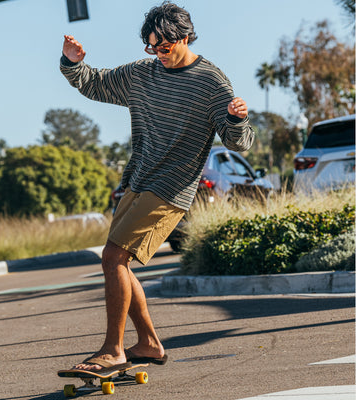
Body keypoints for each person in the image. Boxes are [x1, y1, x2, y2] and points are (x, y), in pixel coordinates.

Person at [60, 1, 254, 373]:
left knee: (113, 257)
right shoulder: (141, 74)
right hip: (138, 179)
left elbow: (237, 142)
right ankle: (148, 343)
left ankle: (113, 349)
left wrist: (236, 119)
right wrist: (73, 63)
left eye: (164, 47)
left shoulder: (211, 82)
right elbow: (95, 82)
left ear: (184, 37)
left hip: (172, 187)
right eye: (151, 47)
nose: (158, 54)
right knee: (119, 262)